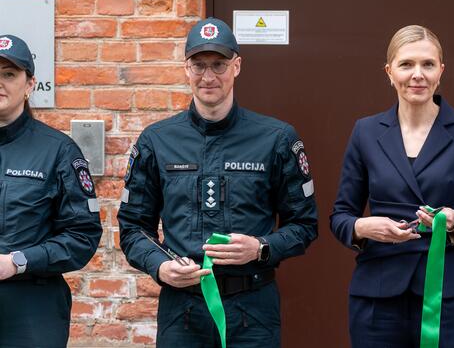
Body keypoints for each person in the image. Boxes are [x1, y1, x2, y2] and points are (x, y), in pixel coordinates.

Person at [117, 18, 318, 347]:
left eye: (219, 65)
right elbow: (133, 226)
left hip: (253, 310)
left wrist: (260, 247)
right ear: (186, 68)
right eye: (198, 66)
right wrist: (161, 266)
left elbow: (305, 225)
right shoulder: (156, 140)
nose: (208, 77)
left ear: (236, 66)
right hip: (182, 311)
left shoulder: (277, 138)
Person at [330, 24, 454, 347]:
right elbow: (340, 217)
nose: (417, 74)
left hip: (450, 295)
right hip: (379, 296)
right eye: (407, 64)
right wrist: (365, 227)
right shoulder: (365, 132)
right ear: (389, 72)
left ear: (441, 71)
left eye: (428, 64)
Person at [0, 34, 102, 347]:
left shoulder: (58, 151)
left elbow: (83, 236)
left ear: (30, 85)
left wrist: (18, 260)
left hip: (31, 306)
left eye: (9, 74)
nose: (0, 83)